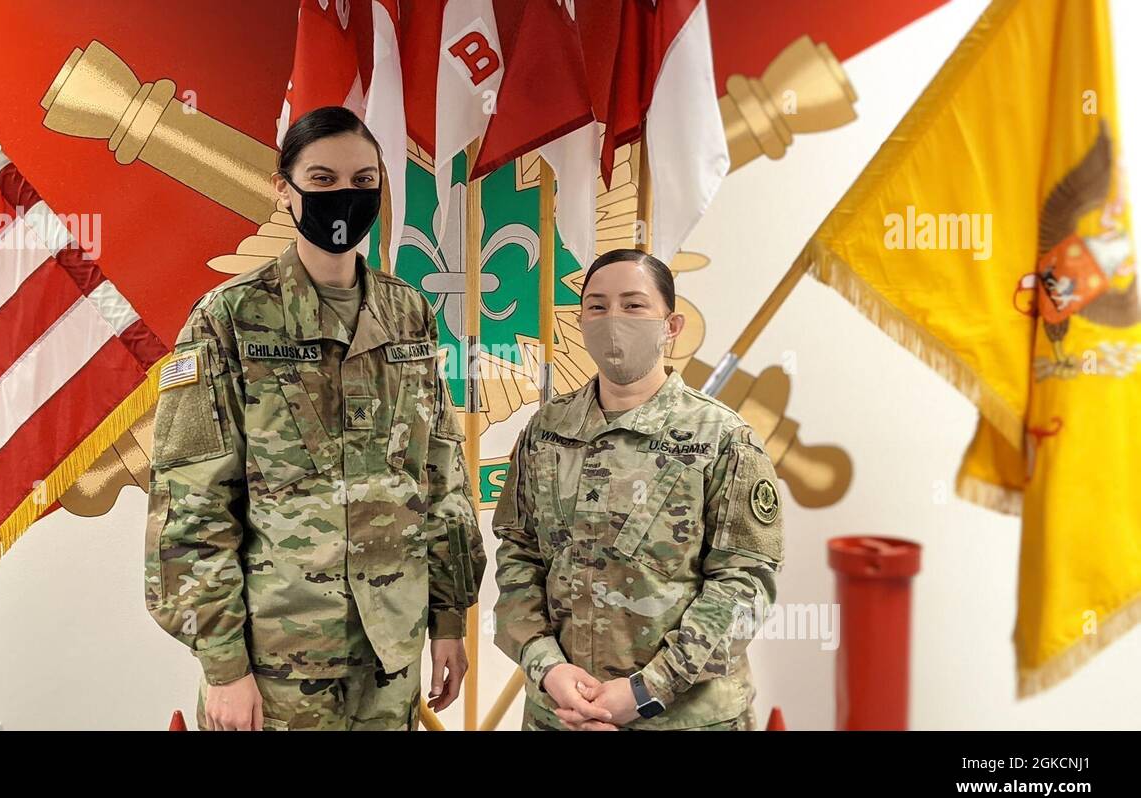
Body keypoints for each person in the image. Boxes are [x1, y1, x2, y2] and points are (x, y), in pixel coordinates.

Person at [145, 106, 484, 731]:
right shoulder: (230, 317)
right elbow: (191, 498)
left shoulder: (409, 314)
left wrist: (448, 618)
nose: (344, 198)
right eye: (322, 180)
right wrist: (223, 665)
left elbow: (440, 476)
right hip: (277, 661)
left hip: (391, 650)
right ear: (285, 187)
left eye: (362, 182)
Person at [492, 248, 784, 731]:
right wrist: (548, 668)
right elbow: (519, 555)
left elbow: (745, 584)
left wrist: (648, 690)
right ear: (581, 320)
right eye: (597, 306)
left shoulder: (723, 438)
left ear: (672, 326)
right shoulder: (546, 431)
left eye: (633, 305)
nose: (613, 319)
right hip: (562, 714)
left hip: (683, 718)